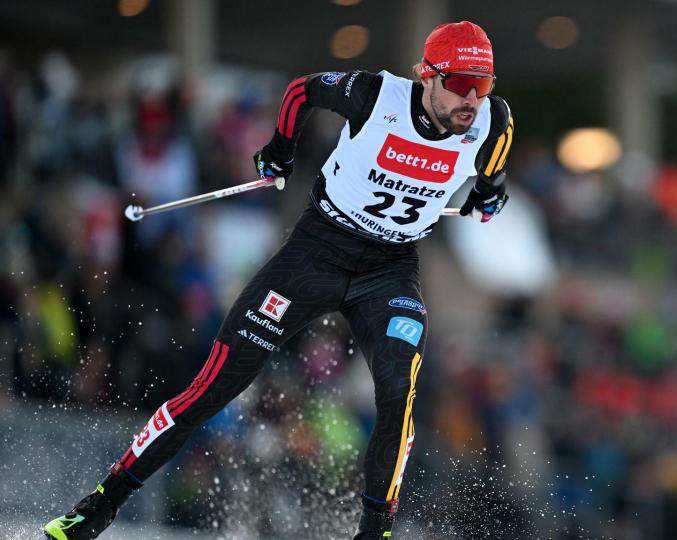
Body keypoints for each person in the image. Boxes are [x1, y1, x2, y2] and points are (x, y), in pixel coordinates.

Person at [44, 20, 513, 540]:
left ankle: (375, 533)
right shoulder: (376, 95)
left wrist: (490, 194)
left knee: (398, 391)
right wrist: (280, 152)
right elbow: (300, 91)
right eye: (460, 83)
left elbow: (493, 169)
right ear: (426, 75)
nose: (472, 99)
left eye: (483, 84)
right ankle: (98, 508)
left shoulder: (492, 121)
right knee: (215, 386)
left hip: (389, 270)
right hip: (316, 253)